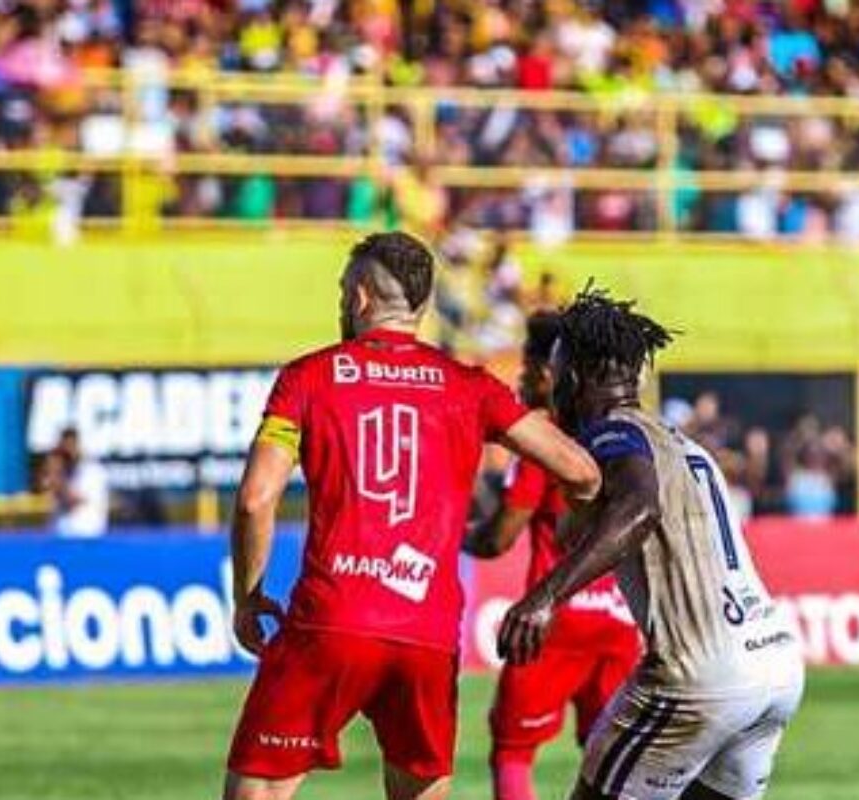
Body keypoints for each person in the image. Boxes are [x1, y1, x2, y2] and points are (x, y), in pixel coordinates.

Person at [222, 232, 601, 800]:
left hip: (331, 619)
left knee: (259, 792)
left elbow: (256, 498)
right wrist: (570, 532)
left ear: (360, 299)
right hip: (425, 632)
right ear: (421, 308)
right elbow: (582, 472)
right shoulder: (471, 387)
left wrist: (248, 596)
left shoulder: (309, 377)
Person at [499, 287, 805, 800]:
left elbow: (639, 507)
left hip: (701, 673)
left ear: (574, 378)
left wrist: (545, 596)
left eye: (558, 376)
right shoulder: (684, 444)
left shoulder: (612, 433)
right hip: (774, 665)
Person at [463, 312, 641, 800]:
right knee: (609, 756)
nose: (520, 379)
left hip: (554, 621)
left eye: (526, 367)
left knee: (512, 750)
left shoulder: (546, 442)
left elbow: (500, 537)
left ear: (551, 371)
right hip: (620, 619)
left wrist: (458, 536)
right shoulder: (623, 439)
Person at [40, 427, 108, 537]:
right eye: (63, 447)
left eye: (70, 446)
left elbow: (74, 500)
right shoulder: (64, 470)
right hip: (61, 533)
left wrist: (55, 478)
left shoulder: (92, 470)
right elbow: (45, 490)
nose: (67, 451)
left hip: (85, 536)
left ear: (78, 445)